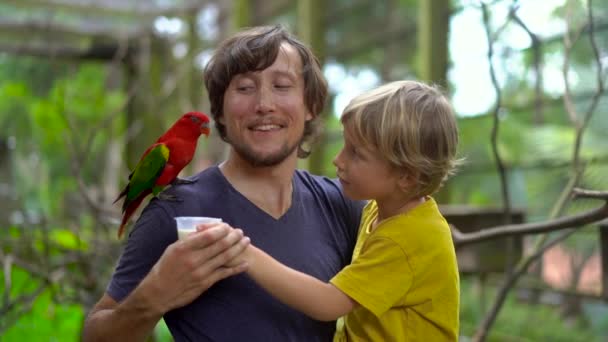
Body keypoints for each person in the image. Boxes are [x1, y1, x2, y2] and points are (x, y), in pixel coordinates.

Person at [82, 25, 364, 341]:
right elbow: (94, 335)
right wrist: (153, 296)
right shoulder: (176, 210)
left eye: (282, 86)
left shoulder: (345, 205)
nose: (264, 104)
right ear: (220, 113)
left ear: (311, 106)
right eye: (245, 88)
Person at [227, 80, 461, 341]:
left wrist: (244, 254)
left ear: (406, 176)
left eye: (356, 153)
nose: (337, 160)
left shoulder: (408, 239)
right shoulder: (382, 210)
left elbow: (328, 304)